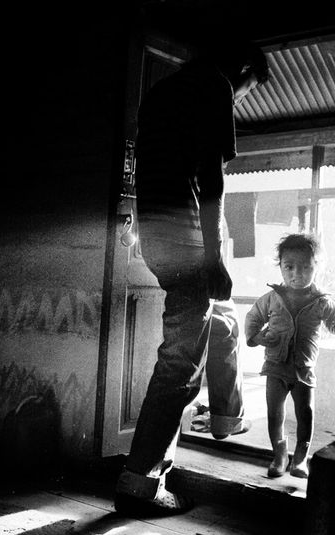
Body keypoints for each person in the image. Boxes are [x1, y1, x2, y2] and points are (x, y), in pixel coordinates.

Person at [114, 41, 269, 517]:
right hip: (186, 242)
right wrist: (214, 257)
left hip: (156, 237)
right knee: (181, 366)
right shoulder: (214, 86)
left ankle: (146, 475)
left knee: (192, 349)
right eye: (246, 90)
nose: (239, 99)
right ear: (243, 68)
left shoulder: (163, 89)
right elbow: (213, 179)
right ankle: (141, 484)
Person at [244, 233, 335, 478]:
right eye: (289, 267)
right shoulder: (272, 298)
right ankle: (279, 455)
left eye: (304, 268)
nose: (296, 274)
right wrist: (257, 337)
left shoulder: (321, 301)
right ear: (280, 266)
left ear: (317, 268)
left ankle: (301, 459)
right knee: (274, 413)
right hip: (275, 367)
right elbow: (253, 319)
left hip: (303, 369)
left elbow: (334, 323)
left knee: (306, 413)